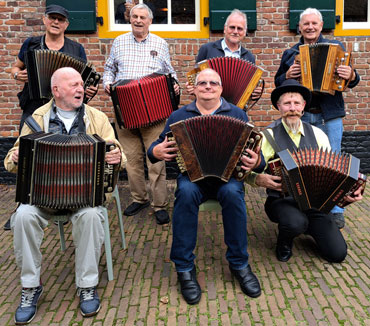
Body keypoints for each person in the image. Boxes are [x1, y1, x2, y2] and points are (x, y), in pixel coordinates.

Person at [4, 67, 126, 325]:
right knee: (23, 216)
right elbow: (11, 160)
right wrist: (16, 157)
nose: (81, 89)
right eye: (74, 85)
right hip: (43, 196)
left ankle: (87, 285)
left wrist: (116, 157)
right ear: (56, 90)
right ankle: (30, 286)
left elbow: (118, 151)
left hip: (83, 195)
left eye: (81, 84)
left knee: (92, 216)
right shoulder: (38, 117)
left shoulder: (96, 117)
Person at [147, 69, 263, 304]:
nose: (208, 86)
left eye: (213, 83)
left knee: (232, 193)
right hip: (192, 176)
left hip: (227, 177)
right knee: (186, 193)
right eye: (202, 83)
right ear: (195, 88)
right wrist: (155, 151)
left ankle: (239, 264)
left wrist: (256, 162)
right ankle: (184, 268)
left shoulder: (238, 114)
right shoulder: (179, 115)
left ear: (220, 88)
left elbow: (257, 157)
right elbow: (156, 147)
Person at [5, 4, 98, 232]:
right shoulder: (31, 44)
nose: (56, 22)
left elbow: (84, 81)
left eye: (60, 19)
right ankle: (22, 204)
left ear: (66, 24)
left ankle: (63, 198)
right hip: (36, 105)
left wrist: (89, 92)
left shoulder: (76, 49)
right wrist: (18, 74)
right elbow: (13, 68)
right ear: (45, 21)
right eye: (52, 18)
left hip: (65, 109)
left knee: (64, 151)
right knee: (26, 152)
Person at [248, 79, 363, 264]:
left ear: (303, 107)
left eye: (296, 103)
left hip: (314, 204)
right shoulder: (266, 136)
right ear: (279, 107)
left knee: (337, 254)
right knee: (295, 223)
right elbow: (247, 169)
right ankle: (285, 240)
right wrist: (257, 179)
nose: (292, 108)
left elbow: (333, 172)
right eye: (287, 103)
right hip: (281, 201)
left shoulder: (318, 134)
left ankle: (309, 227)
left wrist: (346, 194)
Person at [274, 7, 360, 228]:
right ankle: (306, 205)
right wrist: (287, 75)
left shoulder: (337, 48)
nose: (310, 27)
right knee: (303, 163)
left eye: (314, 23)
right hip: (301, 117)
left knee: (335, 163)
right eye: (306, 24)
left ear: (321, 26)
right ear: (299, 27)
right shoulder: (291, 53)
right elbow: (278, 83)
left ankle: (336, 209)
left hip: (329, 115)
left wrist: (350, 75)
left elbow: (353, 78)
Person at [103, 3, 179, 225]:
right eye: (134, 16)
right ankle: (139, 198)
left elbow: (169, 73)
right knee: (132, 159)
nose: (138, 20)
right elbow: (109, 69)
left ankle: (159, 204)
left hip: (153, 112)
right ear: (130, 19)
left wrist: (174, 85)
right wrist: (108, 83)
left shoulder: (160, 44)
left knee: (156, 159)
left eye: (142, 17)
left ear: (150, 21)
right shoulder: (119, 42)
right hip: (125, 110)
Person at [186, 9, 262, 100]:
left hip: (236, 107)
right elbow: (196, 79)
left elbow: (249, 88)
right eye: (232, 27)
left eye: (240, 28)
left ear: (245, 32)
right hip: (208, 105)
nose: (235, 31)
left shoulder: (248, 57)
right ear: (225, 29)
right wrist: (192, 87)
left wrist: (254, 93)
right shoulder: (207, 49)